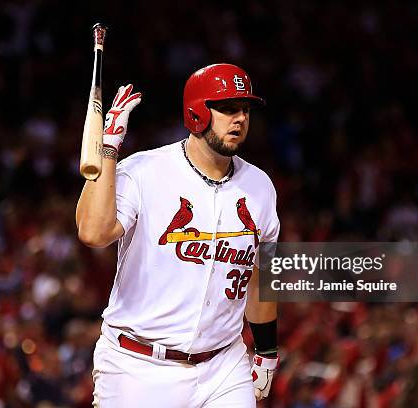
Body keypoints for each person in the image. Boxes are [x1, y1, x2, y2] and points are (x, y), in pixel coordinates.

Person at [76, 63, 280, 407]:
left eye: (245, 109)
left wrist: (267, 351)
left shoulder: (261, 186)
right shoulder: (145, 171)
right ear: (197, 113)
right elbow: (94, 232)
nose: (240, 118)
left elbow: (261, 277)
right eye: (228, 108)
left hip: (223, 366)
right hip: (138, 366)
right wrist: (108, 149)